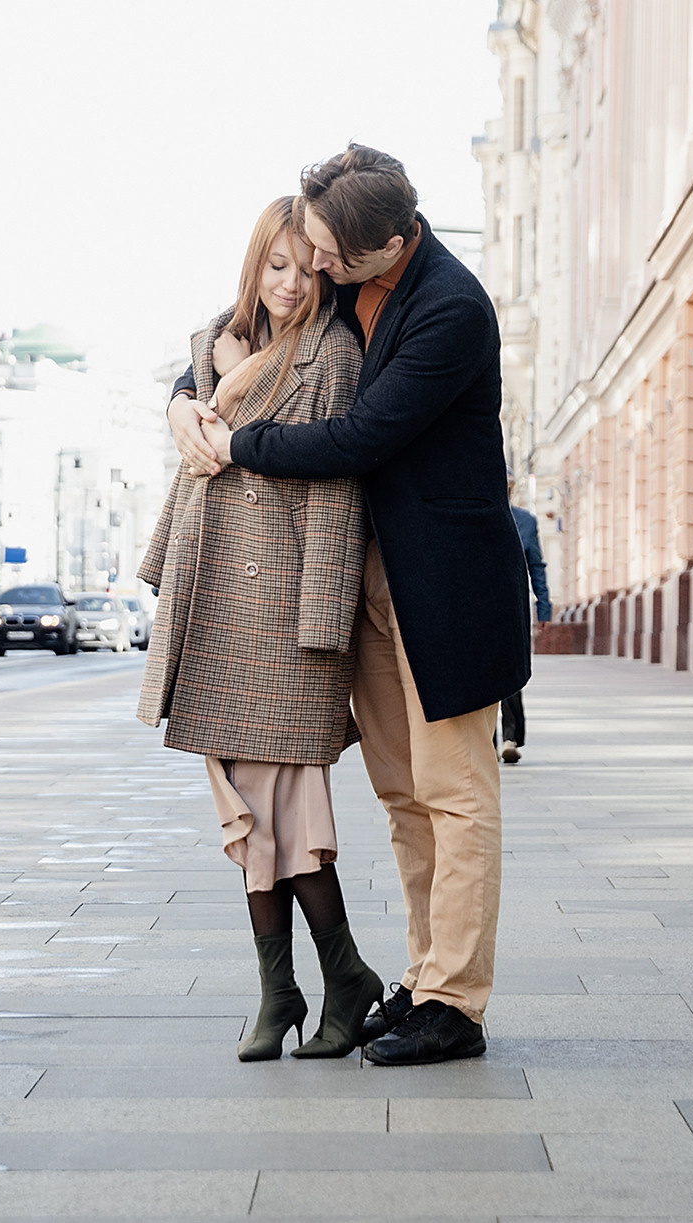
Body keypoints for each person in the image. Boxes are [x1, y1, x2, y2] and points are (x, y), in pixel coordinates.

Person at [172, 144, 531, 1067]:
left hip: (442, 587)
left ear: (389, 244)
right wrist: (184, 400)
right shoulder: (351, 278)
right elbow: (247, 327)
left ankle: (457, 1001)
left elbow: (362, 434)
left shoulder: (449, 308)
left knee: (456, 795)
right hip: (369, 579)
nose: (317, 265)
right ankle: (424, 973)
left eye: (332, 254)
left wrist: (239, 443)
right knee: (403, 794)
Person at [138, 197, 388, 1063]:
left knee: (288, 806)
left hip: (285, 602)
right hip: (217, 598)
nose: (290, 283)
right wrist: (183, 408)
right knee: (246, 806)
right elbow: (190, 432)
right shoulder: (212, 340)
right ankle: (284, 988)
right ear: (254, 265)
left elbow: (339, 485)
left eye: (305, 267)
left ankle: (337, 977)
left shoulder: (335, 351)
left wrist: (322, 620)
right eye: (274, 265)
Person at [502, 489, 552, 765]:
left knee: (511, 671)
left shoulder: (525, 520)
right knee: (481, 674)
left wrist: (543, 607)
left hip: (514, 606)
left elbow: (537, 566)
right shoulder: (473, 512)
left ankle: (511, 738)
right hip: (476, 605)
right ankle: (485, 740)